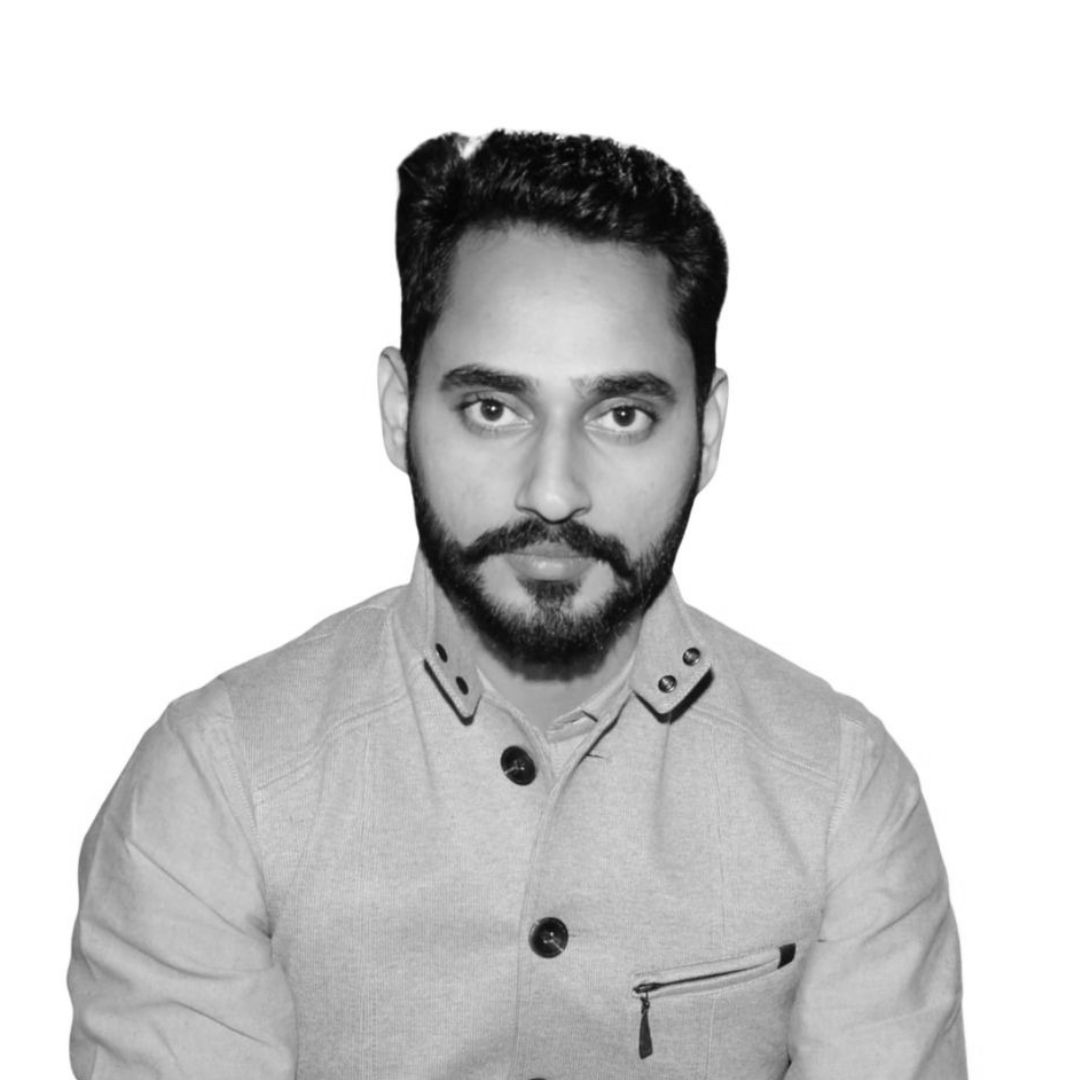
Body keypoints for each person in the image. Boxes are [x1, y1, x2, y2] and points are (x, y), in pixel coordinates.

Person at [68, 130, 966, 1079]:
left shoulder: (843, 792)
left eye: (622, 415)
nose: (552, 492)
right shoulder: (215, 787)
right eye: (493, 409)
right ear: (398, 410)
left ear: (707, 434)